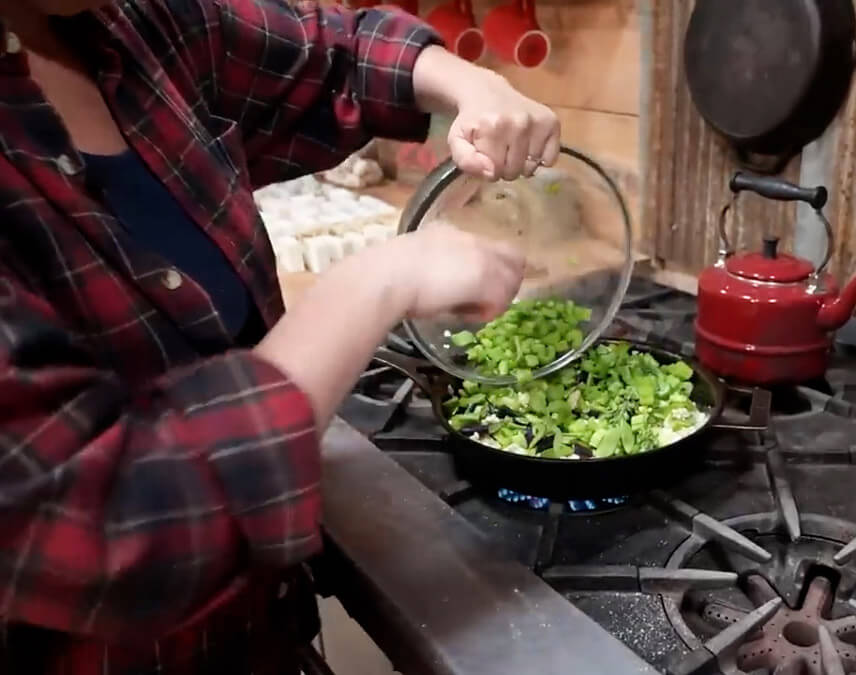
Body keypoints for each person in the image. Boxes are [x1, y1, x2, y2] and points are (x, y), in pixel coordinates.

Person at [0, 0, 558, 672]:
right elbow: (111, 519)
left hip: (265, 630)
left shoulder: (136, 24)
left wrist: (472, 84)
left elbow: (335, 54)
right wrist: (374, 285)